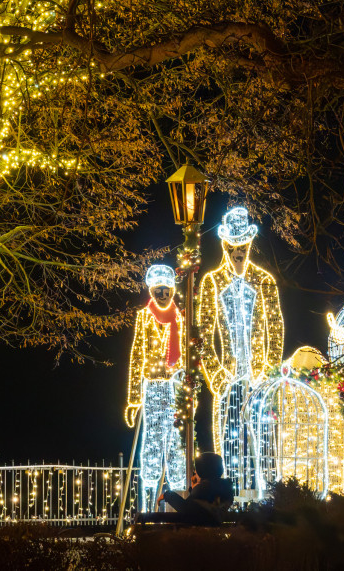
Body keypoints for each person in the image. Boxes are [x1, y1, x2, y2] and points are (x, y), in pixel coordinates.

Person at [197, 207, 284, 493]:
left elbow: (276, 328)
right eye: (233, 246)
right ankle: (231, 497)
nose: (238, 252)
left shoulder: (264, 281)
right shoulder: (212, 282)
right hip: (229, 378)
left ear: (249, 245)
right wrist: (219, 377)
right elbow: (203, 335)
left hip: (257, 378)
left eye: (243, 246)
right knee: (230, 442)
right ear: (224, 245)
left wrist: (267, 372)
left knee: (261, 442)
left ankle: (263, 497)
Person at [125, 264, 186, 509]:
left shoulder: (180, 319)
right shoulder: (144, 317)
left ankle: (177, 506)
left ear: (172, 291)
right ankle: (147, 507)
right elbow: (137, 357)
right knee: (151, 444)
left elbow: (187, 357)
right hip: (152, 387)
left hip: (175, 390)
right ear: (152, 291)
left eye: (166, 289)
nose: (162, 294)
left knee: (176, 448)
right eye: (158, 290)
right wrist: (133, 399)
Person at [139, 452, 235, 525]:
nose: (195, 473)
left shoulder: (204, 490)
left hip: (201, 533)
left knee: (147, 518)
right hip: (214, 527)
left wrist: (167, 495)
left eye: (196, 470)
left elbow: (186, 509)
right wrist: (194, 489)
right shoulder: (223, 488)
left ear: (203, 471)